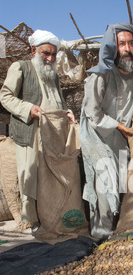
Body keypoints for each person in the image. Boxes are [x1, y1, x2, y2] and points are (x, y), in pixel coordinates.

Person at [0, 29, 76, 232]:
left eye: (53, 54)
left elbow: (58, 100)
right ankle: (31, 220)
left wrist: (67, 112)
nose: (50, 58)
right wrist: (28, 109)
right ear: (34, 50)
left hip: (53, 132)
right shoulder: (21, 68)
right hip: (31, 131)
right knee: (30, 176)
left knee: (50, 176)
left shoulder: (53, 75)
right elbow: (5, 96)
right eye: (46, 53)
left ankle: (50, 215)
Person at [79, 23, 133, 239]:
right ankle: (101, 238)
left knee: (121, 184)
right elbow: (92, 112)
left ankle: (116, 234)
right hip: (98, 136)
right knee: (105, 186)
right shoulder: (100, 75)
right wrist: (119, 126)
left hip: (123, 138)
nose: (127, 48)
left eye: (131, 43)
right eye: (122, 44)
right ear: (112, 47)